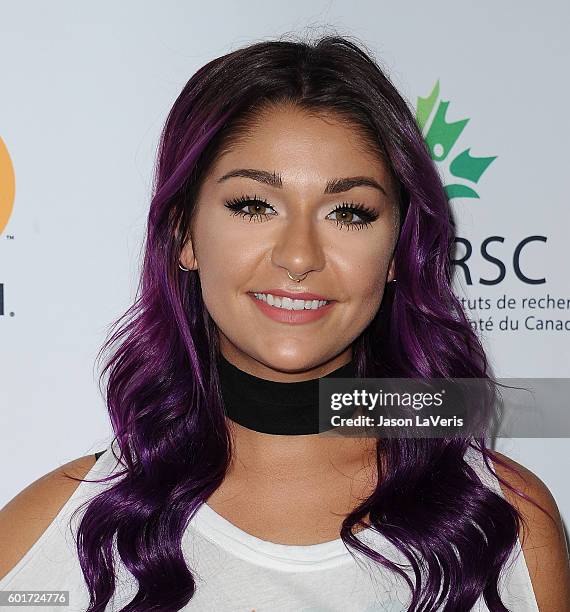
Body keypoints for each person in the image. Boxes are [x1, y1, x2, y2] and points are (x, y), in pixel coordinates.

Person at [1, 34, 569, 612]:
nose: (299, 256)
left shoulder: (503, 525)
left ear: (398, 251)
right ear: (184, 236)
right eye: (253, 206)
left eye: (349, 212)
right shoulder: (49, 540)